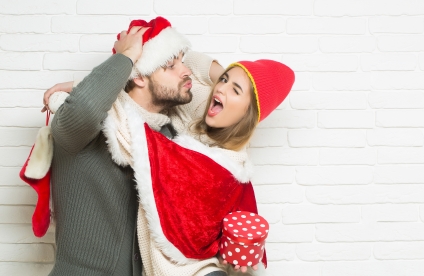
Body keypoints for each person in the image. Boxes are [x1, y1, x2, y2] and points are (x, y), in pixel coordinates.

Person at [44, 19, 295, 276]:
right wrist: (124, 58)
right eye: (171, 65)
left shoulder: (170, 134)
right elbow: (84, 109)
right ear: (139, 76)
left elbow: (227, 103)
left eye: (181, 62)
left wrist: (235, 82)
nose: (185, 71)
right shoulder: (83, 127)